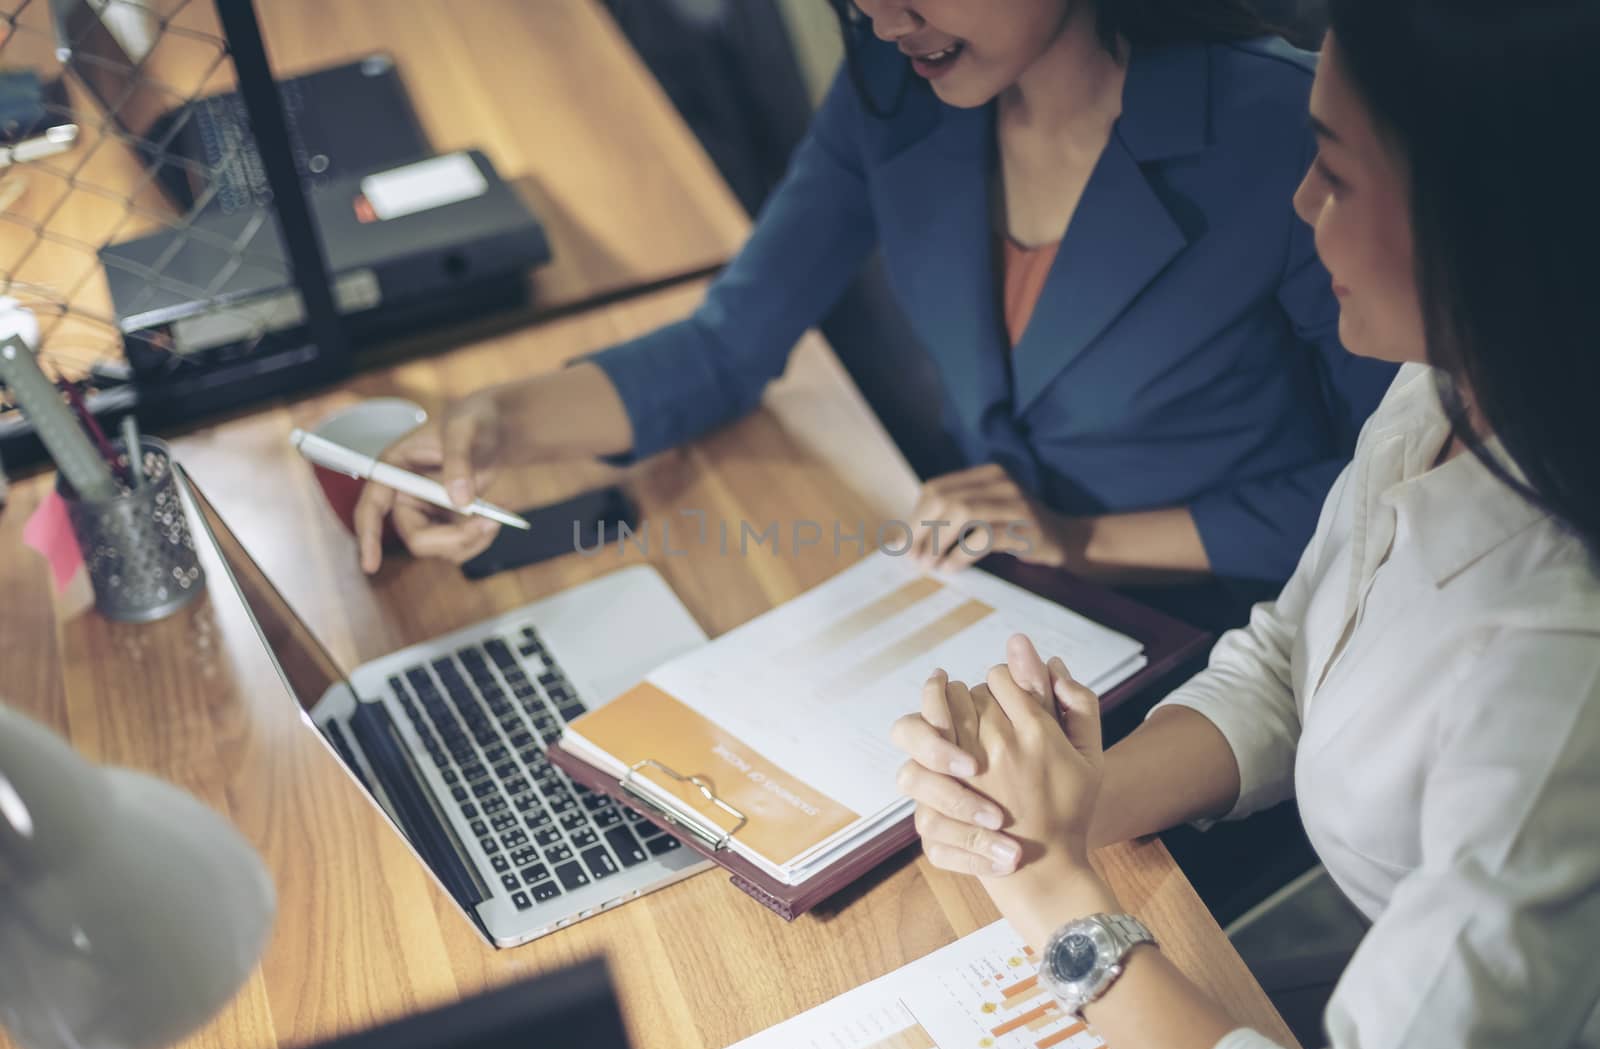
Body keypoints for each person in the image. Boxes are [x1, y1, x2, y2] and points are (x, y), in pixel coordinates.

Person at [891, 0, 1600, 1049]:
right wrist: (1076, 801)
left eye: (1336, 171)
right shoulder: (1449, 390)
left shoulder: (1555, 666)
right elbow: (1288, 658)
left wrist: (1056, 902)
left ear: (1486, 220)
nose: (1299, 200)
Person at [354, 0, 1395, 629]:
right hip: (996, 596)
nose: (882, 17)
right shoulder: (895, 97)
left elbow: (1399, 490)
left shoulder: (1288, 134)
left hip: (1230, 630)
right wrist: (493, 423)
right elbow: (730, 340)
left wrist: (1083, 539)